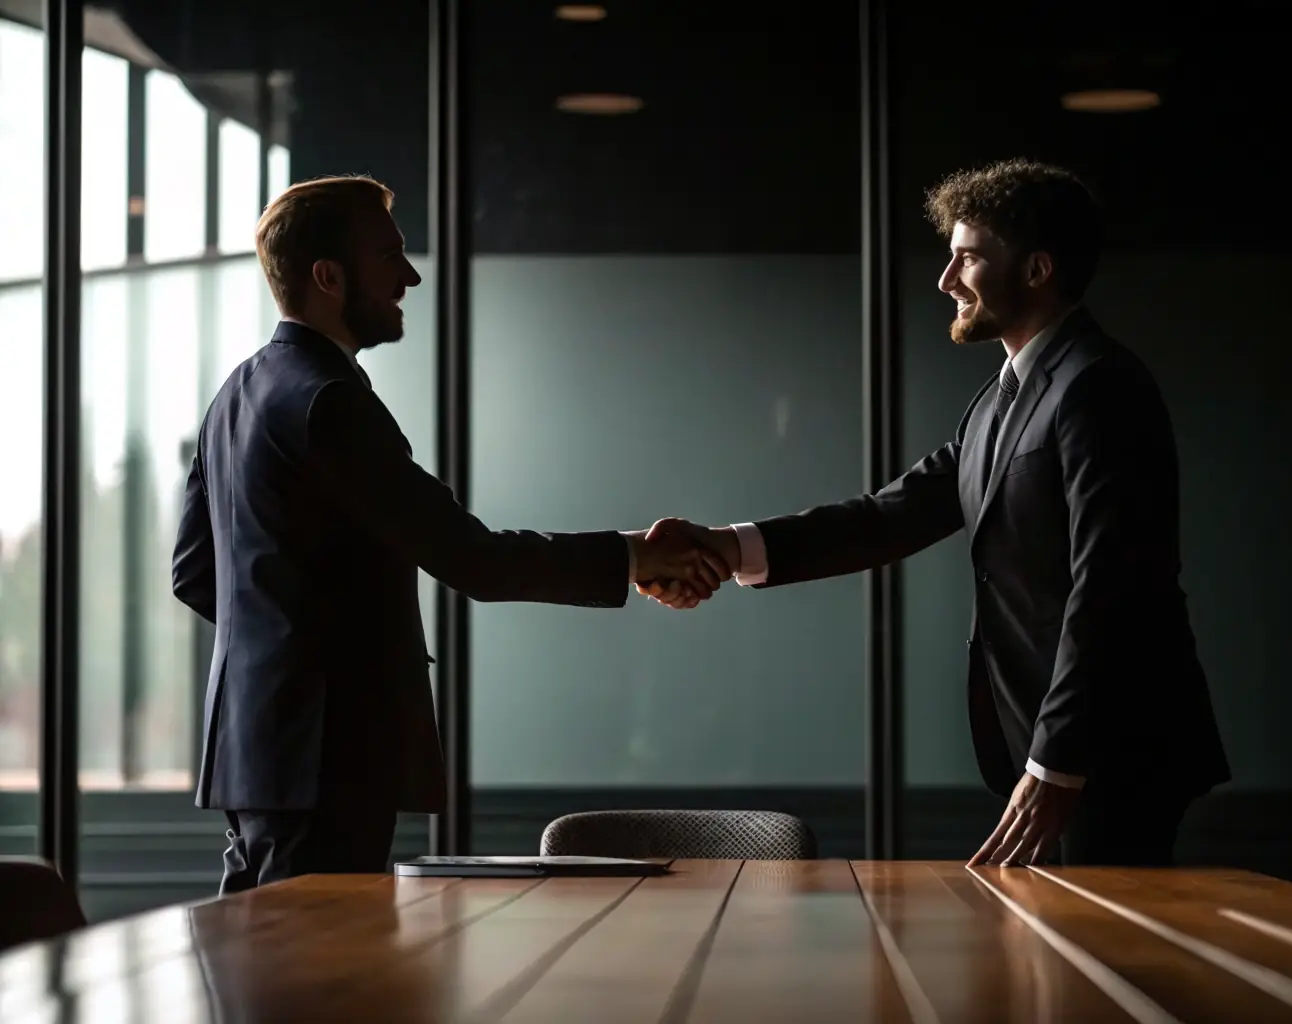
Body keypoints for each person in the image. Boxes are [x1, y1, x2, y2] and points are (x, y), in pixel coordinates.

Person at [639, 158, 1230, 868]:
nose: (946, 280)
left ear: (1038, 269)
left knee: (1106, 966)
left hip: (1110, 755)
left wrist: (1056, 764)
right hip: (1053, 755)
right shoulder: (999, 401)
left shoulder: (1099, 388)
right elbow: (888, 517)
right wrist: (724, 548)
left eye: (967, 258)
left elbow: (1111, 587)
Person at [171, 175, 729, 893]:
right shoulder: (330, 401)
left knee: (260, 970)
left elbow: (194, 571)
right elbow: (473, 560)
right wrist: (636, 554)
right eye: (389, 256)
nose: (409, 275)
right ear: (328, 276)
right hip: (328, 753)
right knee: (311, 986)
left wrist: (278, 654)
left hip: (256, 755)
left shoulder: (236, 396)